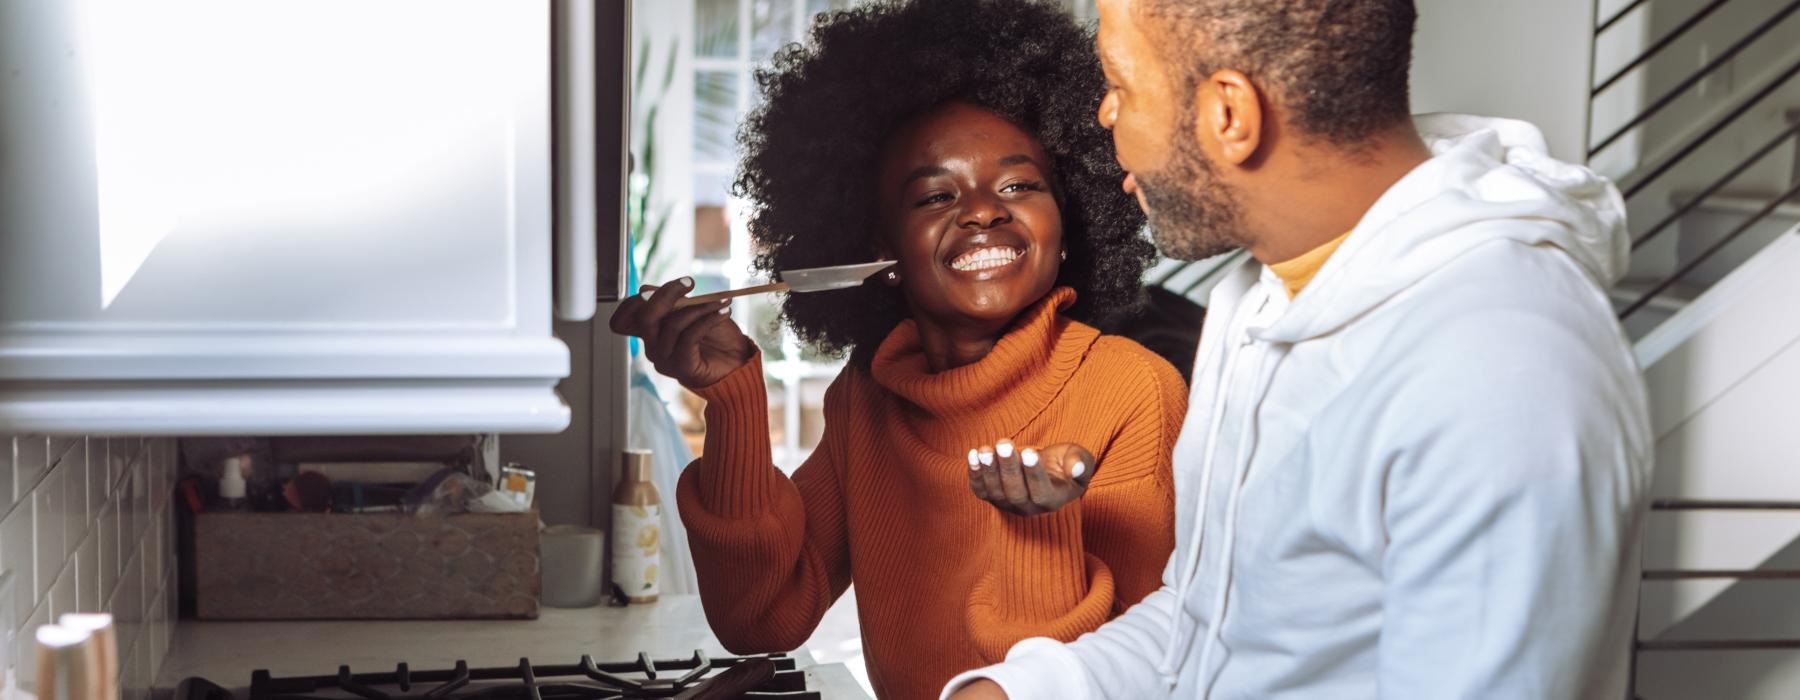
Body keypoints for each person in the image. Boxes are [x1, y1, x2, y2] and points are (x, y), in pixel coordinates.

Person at [945, 0, 1654, 698]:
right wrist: (1018, 691)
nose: (1104, 115)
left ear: (1230, 116)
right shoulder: (1260, 296)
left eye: (1121, 85)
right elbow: (1216, 623)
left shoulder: (1500, 370)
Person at [609, 1, 1186, 697]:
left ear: (1067, 224)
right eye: (936, 196)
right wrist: (733, 399)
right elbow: (762, 617)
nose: (982, 210)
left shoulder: (1132, 390)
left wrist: (1039, 529)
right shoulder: (870, 396)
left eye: (1018, 185)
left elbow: (1148, 669)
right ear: (880, 250)